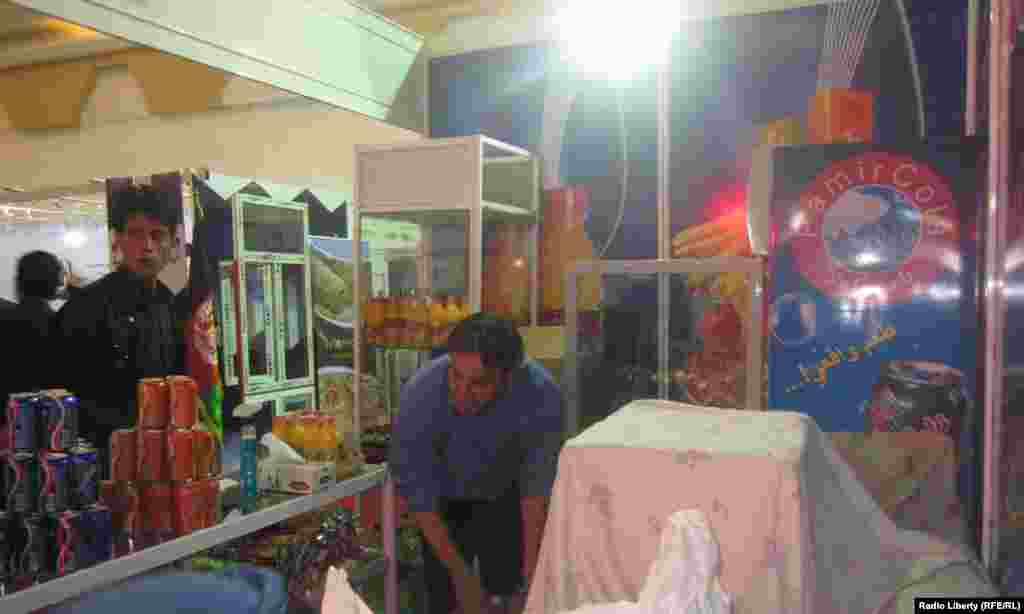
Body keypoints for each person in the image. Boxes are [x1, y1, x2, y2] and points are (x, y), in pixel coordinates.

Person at [390, 313, 564, 614]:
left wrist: (530, 584)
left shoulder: (540, 395)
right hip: (441, 502)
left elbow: (535, 497)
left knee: (512, 594)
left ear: (510, 375)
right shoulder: (420, 396)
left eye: (478, 384)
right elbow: (421, 500)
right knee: (447, 597)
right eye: (455, 375)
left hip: (506, 497)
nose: (461, 392)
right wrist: (462, 577)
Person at [54, 185, 183, 465]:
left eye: (157, 234)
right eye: (135, 234)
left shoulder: (170, 306)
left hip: (161, 461)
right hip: (100, 468)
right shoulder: (86, 308)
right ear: (118, 241)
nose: (146, 246)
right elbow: (62, 400)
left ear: (173, 243)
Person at [0, 250, 64, 410]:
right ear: (54, 284)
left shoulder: (6, 315)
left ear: (19, 282)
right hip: (45, 413)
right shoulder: (59, 322)